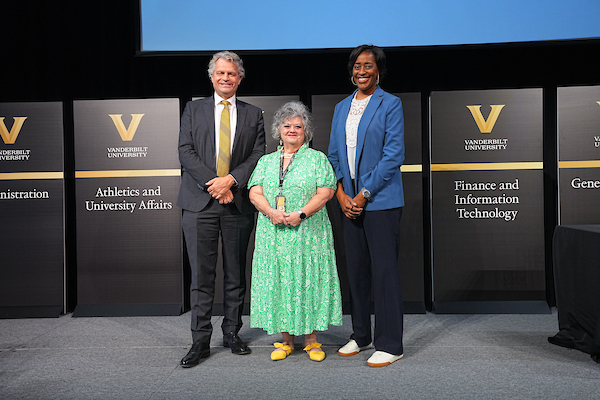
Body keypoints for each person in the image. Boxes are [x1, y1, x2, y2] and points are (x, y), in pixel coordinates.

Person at [177, 51, 266, 367]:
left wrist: (231, 181)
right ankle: (200, 341)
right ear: (212, 76)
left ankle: (232, 333)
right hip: (199, 204)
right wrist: (215, 183)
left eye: (231, 73)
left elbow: (257, 155)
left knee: (235, 274)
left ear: (239, 78)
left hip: (237, 204)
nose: (225, 78)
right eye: (220, 73)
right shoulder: (193, 109)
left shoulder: (254, 114)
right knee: (201, 276)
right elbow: (185, 151)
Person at [327, 44, 406, 367]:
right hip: (348, 203)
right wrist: (342, 194)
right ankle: (361, 335)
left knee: (384, 272)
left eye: (368, 66)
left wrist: (364, 194)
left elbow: (393, 156)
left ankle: (390, 343)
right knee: (356, 271)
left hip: (381, 202)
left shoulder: (391, 104)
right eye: (357, 66)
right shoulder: (341, 107)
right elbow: (333, 155)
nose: (362, 71)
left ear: (379, 70)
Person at [248, 101, 342, 362]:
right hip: (274, 234)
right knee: (280, 281)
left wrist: (301, 213)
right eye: (287, 125)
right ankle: (287, 340)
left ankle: (312, 341)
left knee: (307, 280)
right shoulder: (266, 162)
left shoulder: (317, 159)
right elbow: (254, 192)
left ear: (306, 132)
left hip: (309, 234)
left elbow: (326, 192)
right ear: (278, 129)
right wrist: (270, 211)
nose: (292, 130)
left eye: (298, 126)